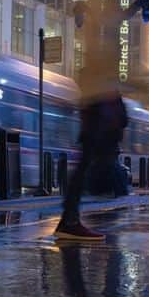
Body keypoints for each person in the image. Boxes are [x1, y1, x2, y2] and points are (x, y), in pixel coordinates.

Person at [54, 91, 128, 242]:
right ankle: (69, 221)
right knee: (86, 168)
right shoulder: (103, 84)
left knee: (85, 166)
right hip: (100, 121)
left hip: (99, 120)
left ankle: (69, 220)